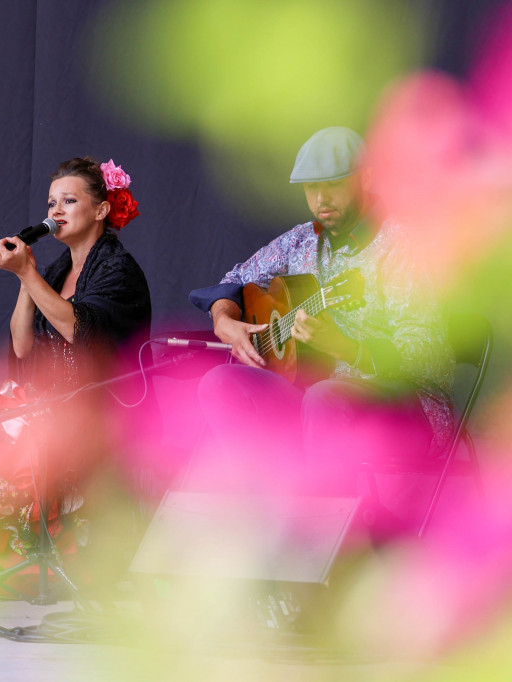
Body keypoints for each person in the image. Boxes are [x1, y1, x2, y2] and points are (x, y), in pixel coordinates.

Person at [189, 128, 454, 510]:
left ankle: (324, 532)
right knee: (222, 383)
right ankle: (261, 511)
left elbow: (426, 354)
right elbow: (233, 281)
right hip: (314, 392)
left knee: (326, 398)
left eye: (332, 185)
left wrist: (348, 349)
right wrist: (223, 318)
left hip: (400, 401)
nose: (320, 200)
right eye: (310, 188)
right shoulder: (299, 240)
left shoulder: (404, 246)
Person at [0, 157, 151, 586]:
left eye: (69, 200)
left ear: (102, 210)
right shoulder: (54, 271)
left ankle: (0, 547)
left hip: (101, 406)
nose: (55, 211)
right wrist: (23, 279)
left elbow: (80, 329)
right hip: (55, 402)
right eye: (52, 201)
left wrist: (29, 275)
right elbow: (22, 346)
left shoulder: (117, 269)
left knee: (12, 430)